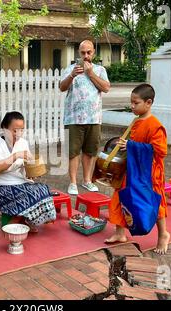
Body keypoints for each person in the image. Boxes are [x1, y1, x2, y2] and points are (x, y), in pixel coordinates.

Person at [104, 83, 170, 255]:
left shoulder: (155, 125)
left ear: (148, 103)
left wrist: (132, 146)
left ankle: (163, 234)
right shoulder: (136, 121)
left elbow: (161, 151)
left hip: (149, 173)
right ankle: (120, 233)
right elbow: (134, 141)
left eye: (136, 103)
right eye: (131, 103)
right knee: (120, 196)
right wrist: (125, 144)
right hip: (131, 169)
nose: (132, 106)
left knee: (154, 202)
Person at [0, 111, 56, 232]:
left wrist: (32, 172)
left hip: (17, 181)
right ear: (4, 128)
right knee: (32, 193)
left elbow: (27, 167)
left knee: (43, 188)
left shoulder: (23, 143)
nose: (18, 133)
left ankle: (26, 219)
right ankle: (15, 223)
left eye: (21, 130)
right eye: (14, 130)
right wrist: (16, 155)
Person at [59, 40, 110, 195]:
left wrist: (90, 73)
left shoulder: (100, 70)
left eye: (89, 52)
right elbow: (62, 87)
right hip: (73, 118)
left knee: (90, 151)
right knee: (73, 152)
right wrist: (72, 75)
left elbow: (106, 88)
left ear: (93, 52)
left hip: (94, 118)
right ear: (78, 53)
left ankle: (87, 180)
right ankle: (73, 182)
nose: (86, 56)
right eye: (83, 52)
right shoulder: (70, 69)